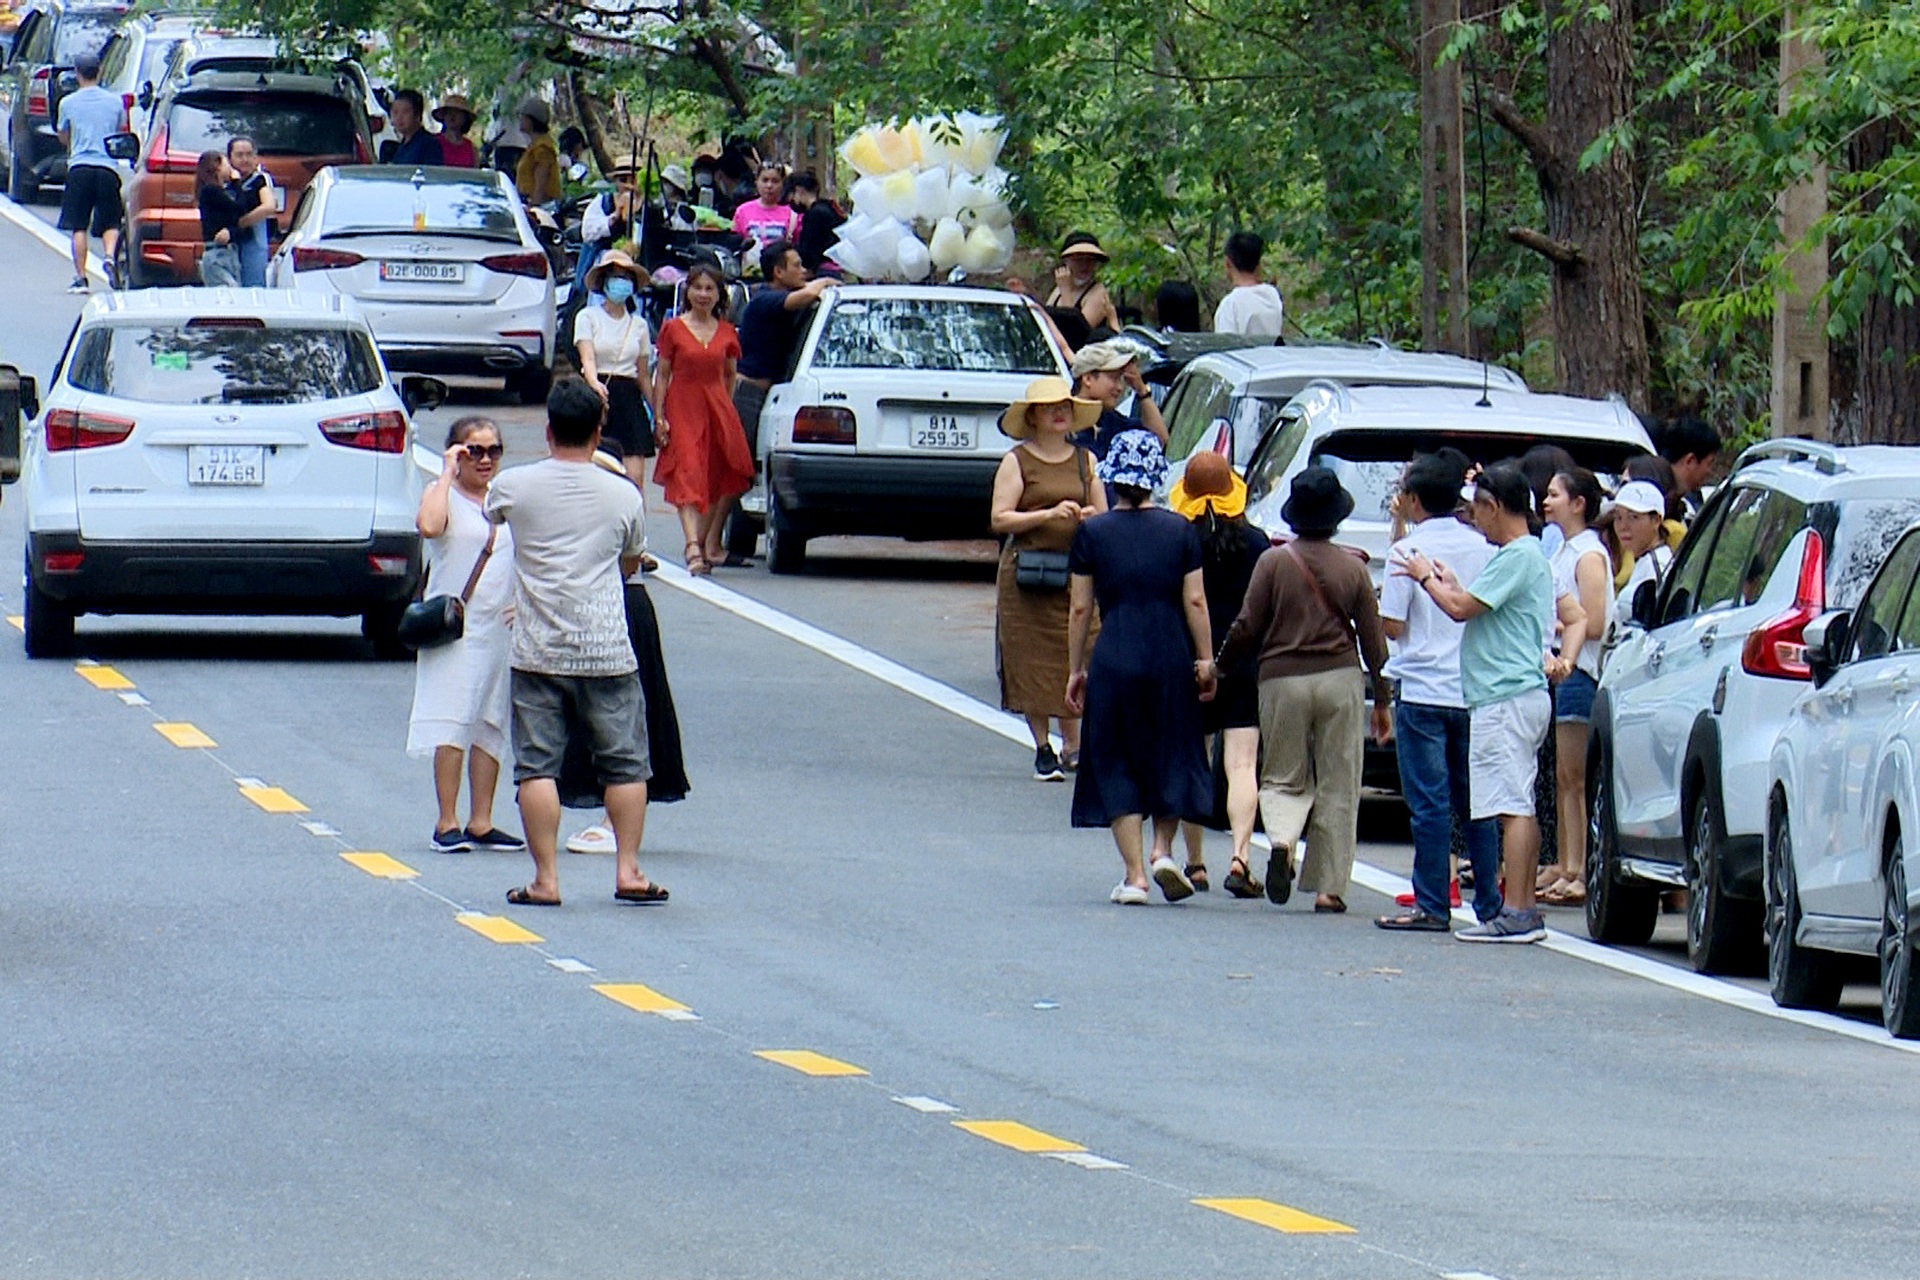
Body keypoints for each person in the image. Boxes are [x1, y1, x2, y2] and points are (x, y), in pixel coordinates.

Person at [483, 377, 666, 908]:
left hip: (539, 646)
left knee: (538, 765)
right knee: (626, 762)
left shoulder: (516, 487)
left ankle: (546, 878)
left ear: (547, 430)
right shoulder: (623, 495)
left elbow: (491, 514)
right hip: (607, 647)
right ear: (598, 430)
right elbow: (631, 561)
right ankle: (628, 869)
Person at [1397, 463, 1559, 943]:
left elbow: (1461, 609)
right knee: (1516, 800)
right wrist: (1445, 579)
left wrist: (1426, 577)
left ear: (1494, 507)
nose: (1473, 519)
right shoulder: (1521, 555)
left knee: (1510, 805)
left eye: (1477, 510)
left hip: (1505, 695)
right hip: (1512, 692)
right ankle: (1521, 908)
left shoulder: (1517, 556)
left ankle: (1515, 909)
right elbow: (1473, 601)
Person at [1219, 467, 1393, 914]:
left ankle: (1280, 840)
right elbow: (1373, 640)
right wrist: (1383, 699)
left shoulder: (1272, 563)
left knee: (1282, 774)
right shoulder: (1352, 568)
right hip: (1340, 679)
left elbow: (1247, 625)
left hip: (1281, 679)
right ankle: (1328, 889)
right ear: (1335, 518)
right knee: (1339, 782)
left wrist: (1221, 666)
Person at [1065, 429, 1216, 904]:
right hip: (1170, 653)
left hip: (1116, 653)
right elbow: (1195, 598)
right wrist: (1206, 658)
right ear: (1153, 480)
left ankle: (1134, 876)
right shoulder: (1180, 532)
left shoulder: (1093, 533)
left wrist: (1076, 668)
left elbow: (1079, 607)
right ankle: (1163, 848)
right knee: (1171, 749)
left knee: (1115, 758)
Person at [1376, 451, 1503, 931]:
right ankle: (1489, 901)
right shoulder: (1485, 548)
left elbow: (1393, 623)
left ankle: (1432, 901)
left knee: (1429, 801)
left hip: (1423, 687)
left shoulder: (1408, 551)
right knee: (1478, 801)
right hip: (1471, 686)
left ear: (1412, 500)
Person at [560, 450, 692, 855]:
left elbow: (628, 563)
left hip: (619, 605)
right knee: (589, 715)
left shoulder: (616, 508)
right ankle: (609, 811)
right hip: (595, 605)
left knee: (622, 714)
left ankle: (614, 821)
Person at [409, 416, 524, 855]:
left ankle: (482, 819)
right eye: (473, 451)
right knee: (452, 719)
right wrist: (445, 474)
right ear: (456, 453)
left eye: (493, 450)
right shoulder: (445, 497)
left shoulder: (504, 501)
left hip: (498, 627)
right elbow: (430, 526)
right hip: (455, 627)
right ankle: (447, 819)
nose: (485, 460)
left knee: (489, 720)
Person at [990, 377, 1107, 781]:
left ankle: (1074, 744)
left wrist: (1088, 518)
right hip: (1028, 576)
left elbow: (1105, 514)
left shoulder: (1084, 460)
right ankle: (1043, 746)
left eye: (1065, 407)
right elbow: (1000, 517)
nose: (1060, 413)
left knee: (1081, 652)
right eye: (1050, 408)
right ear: (1034, 417)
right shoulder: (1016, 460)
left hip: (1077, 573)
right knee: (1032, 659)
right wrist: (1046, 515)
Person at [1169, 451, 1269, 896]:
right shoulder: (1258, 543)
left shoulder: (1178, 540)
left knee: (1195, 755)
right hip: (1244, 658)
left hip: (1191, 658)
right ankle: (1240, 857)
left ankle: (1195, 862)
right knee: (1242, 763)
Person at [652, 261, 753, 575]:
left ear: (719, 294)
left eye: (710, 289)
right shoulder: (673, 328)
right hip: (682, 405)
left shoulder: (726, 332)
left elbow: (731, 375)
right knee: (687, 471)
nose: (703, 294)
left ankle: (701, 541)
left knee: (717, 474)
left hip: (717, 406)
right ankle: (693, 545)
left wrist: (725, 406)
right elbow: (663, 374)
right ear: (688, 291)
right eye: (698, 287)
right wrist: (659, 416)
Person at [1539, 468, 1608, 906]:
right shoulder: (1564, 551)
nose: (1546, 502)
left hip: (1579, 670)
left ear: (1578, 502)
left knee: (1574, 776)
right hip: (1560, 669)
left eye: (1554, 495)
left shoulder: (1587, 555)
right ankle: (1566, 864)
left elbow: (1596, 620)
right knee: (1562, 776)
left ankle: (1580, 867)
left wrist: (1559, 627)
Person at [735, 240, 836, 475]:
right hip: (747, 393)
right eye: (797, 266)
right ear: (778, 272)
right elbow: (807, 294)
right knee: (737, 470)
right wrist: (825, 281)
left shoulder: (780, 299)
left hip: (767, 392)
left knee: (744, 473)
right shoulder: (765, 300)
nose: (804, 272)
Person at [573, 250, 656, 489]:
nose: (620, 282)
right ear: (604, 282)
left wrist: (658, 414)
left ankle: (634, 524)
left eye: (625, 277)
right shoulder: (587, 317)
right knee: (594, 472)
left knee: (634, 477)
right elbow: (587, 358)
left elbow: (643, 374)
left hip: (629, 399)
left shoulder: (638, 325)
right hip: (598, 395)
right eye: (615, 276)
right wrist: (594, 384)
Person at [54, 52, 126, 293]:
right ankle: (109, 256)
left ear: (77, 73)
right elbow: (120, 129)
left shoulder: (68, 103)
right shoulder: (115, 101)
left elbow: (63, 135)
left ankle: (81, 277)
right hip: (108, 167)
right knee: (111, 221)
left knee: (79, 225)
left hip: (80, 167)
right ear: (100, 71)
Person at [1068, 340, 1167, 459]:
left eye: (1120, 379)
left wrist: (1142, 391)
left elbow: (1158, 441)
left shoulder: (1112, 421)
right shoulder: (1062, 420)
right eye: (1113, 378)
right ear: (1088, 379)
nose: (1120, 387)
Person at [1606, 479, 1675, 645]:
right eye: (1618, 518)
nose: (1623, 526)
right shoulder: (1644, 562)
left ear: (1656, 520)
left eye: (1634, 517)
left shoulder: (1659, 567)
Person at [1047, 233, 1122, 338]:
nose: (1084, 265)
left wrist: (1066, 292)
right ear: (1066, 262)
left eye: (1090, 260)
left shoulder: (1097, 293)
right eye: (1078, 259)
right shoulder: (1060, 287)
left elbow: (1075, 334)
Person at [225, 137, 276, 288]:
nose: (245, 159)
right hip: (227, 241)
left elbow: (269, 206)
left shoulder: (260, 179)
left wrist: (242, 222)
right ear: (230, 157)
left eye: (249, 154)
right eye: (239, 155)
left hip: (253, 240)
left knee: (253, 284)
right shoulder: (223, 180)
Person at [1213, 231, 1284, 337]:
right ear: (1258, 263)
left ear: (1227, 263)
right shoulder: (1272, 296)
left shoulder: (1230, 305)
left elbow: (1225, 348)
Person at [194, 151, 246, 287]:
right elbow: (238, 208)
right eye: (226, 163)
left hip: (229, 252)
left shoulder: (222, 191)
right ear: (217, 167)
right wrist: (237, 183)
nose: (230, 168)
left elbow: (234, 219)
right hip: (217, 254)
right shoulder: (210, 191)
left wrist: (231, 231)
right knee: (229, 293)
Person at [1657, 414, 1721, 519]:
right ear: (1690, 460)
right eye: (1709, 463)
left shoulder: (1675, 503)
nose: (1710, 471)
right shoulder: (1652, 501)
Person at [732, 161, 800, 252]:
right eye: (765, 180)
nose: (769, 186)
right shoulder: (742, 211)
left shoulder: (793, 215)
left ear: (782, 184)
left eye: (775, 181)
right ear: (756, 182)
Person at [788, 171, 845, 273]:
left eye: (792, 195)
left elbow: (809, 250)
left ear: (798, 190)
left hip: (825, 270)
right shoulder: (829, 207)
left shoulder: (814, 214)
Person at [514, 98, 561, 206]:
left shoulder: (543, 148)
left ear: (531, 120)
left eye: (523, 116)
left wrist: (534, 210)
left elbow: (540, 185)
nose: (520, 120)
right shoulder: (534, 146)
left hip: (538, 207)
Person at [384, 89, 443, 166]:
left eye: (405, 112)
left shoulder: (428, 144)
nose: (399, 117)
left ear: (417, 115)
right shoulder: (401, 146)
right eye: (395, 112)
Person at [433, 94, 479, 167]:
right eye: (448, 112)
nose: (452, 116)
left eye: (457, 112)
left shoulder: (472, 149)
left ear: (465, 118)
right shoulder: (433, 142)